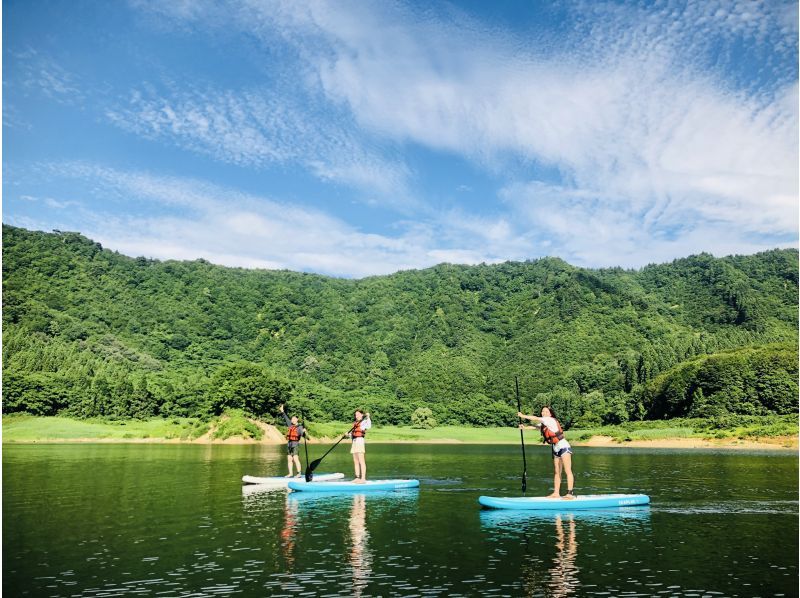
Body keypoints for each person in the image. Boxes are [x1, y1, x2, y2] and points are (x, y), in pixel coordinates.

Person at [518, 406, 575, 499]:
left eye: (546, 411)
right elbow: (536, 427)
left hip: (564, 446)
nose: (543, 413)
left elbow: (535, 419)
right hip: (556, 448)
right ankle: (556, 493)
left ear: (550, 413)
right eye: (542, 411)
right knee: (557, 472)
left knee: (567, 470)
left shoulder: (550, 420)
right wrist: (524, 427)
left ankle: (570, 493)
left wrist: (522, 416)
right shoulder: (545, 423)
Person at [278, 404, 306, 477]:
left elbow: (302, 435)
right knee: (289, 459)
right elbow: (285, 417)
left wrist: (303, 431)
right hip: (289, 444)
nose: (292, 420)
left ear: (297, 420)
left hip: (295, 444)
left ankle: (299, 473)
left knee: (295, 458)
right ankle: (290, 473)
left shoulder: (299, 427)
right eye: (292, 419)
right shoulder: (290, 425)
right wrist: (282, 411)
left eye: (294, 419)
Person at [347, 409, 371, 483]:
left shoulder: (364, 422)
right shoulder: (355, 423)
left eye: (357, 414)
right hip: (354, 441)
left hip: (360, 441)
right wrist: (347, 435)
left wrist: (368, 417)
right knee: (355, 461)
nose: (356, 416)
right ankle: (357, 477)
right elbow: (352, 434)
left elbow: (369, 425)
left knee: (361, 460)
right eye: (355, 414)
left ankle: (363, 479)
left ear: (361, 415)